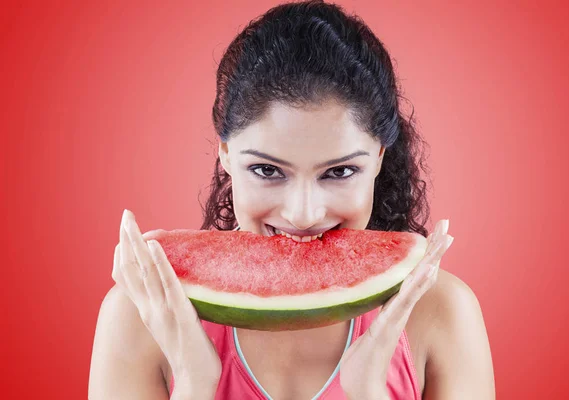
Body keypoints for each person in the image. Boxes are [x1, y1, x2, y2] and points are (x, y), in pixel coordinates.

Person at [89, 1, 495, 399]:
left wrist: (370, 391)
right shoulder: (139, 316)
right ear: (226, 154)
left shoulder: (443, 314)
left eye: (339, 172)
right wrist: (192, 382)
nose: (303, 214)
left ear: (379, 158)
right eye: (267, 171)